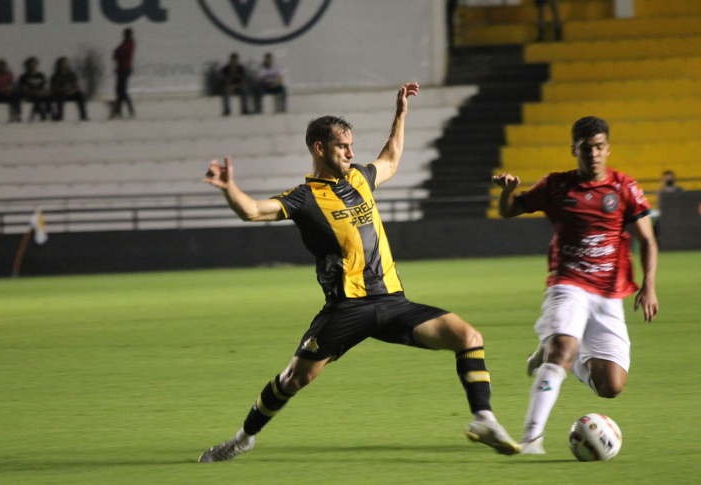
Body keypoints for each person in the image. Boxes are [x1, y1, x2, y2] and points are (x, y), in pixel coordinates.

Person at [198, 83, 521, 462]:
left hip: (392, 302)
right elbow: (252, 210)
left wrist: (400, 113)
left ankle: (483, 418)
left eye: (351, 145)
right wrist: (228, 187)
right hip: (345, 310)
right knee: (294, 379)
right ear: (320, 149)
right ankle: (243, 438)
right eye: (342, 146)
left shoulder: (360, 178)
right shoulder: (303, 198)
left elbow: (392, 158)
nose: (351, 152)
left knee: (468, 336)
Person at [492, 116, 659, 454]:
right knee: (563, 352)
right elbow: (510, 211)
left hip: (609, 293)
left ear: (608, 149)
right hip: (567, 283)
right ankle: (531, 438)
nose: (593, 154)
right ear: (574, 150)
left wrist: (649, 286)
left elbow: (648, 240)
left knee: (611, 386)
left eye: (599, 147)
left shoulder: (624, 187)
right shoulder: (555, 186)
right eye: (586, 149)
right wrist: (508, 194)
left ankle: (552, 350)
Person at [50, 57, 88, 121]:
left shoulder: (71, 75)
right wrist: (63, 90)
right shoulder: (55, 76)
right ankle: (59, 116)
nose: (64, 65)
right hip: (60, 94)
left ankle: (83, 116)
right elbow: (53, 88)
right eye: (63, 64)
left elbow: (76, 86)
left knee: (80, 95)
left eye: (66, 64)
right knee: (60, 96)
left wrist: (72, 91)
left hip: (71, 93)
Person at [110, 27, 135, 119]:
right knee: (119, 90)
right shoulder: (127, 43)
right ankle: (118, 110)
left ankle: (130, 110)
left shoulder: (129, 43)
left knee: (122, 91)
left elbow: (121, 52)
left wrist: (117, 53)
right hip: (122, 69)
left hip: (124, 69)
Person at [0, 58, 21, 123]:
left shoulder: (9, 74)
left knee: (16, 95)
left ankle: (16, 115)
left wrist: (9, 90)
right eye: (0, 65)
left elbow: (12, 84)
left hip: (6, 94)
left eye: (3, 65)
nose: (2, 67)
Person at [18, 57, 50, 121]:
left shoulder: (41, 76)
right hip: (29, 95)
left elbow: (44, 87)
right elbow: (24, 89)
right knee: (36, 98)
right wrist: (34, 92)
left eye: (35, 64)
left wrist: (41, 92)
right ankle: (40, 115)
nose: (33, 66)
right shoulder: (24, 77)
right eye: (31, 64)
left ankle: (49, 113)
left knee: (48, 98)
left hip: (40, 95)